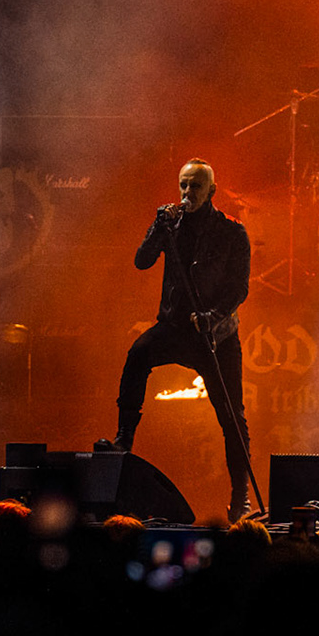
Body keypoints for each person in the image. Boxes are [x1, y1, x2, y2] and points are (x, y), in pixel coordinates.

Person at [97, 158, 254, 522]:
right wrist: (157, 226)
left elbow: (238, 287)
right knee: (138, 354)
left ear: (211, 191)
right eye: (183, 185)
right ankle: (124, 438)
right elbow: (141, 261)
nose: (187, 193)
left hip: (216, 336)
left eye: (195, 186)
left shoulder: (232, 232)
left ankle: (240, 496)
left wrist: (213, 317)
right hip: (175, 328)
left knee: (231, 415)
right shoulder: (172, 226)